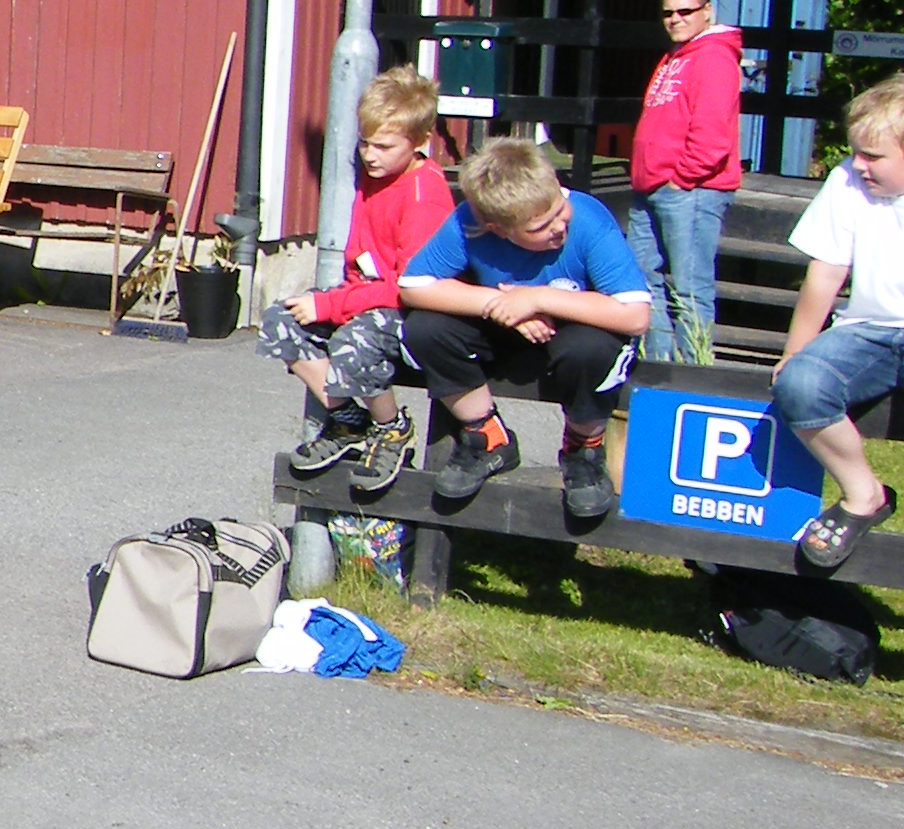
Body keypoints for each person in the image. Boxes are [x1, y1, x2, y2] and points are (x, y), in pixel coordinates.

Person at [398, 139, 655, 523]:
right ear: (498, 230)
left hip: (576, 332)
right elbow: (414, 285)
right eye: (541, 226)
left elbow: (635, 315)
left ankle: (583, 448)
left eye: (559, 210)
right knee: (424, 329)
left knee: (591, 350)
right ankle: (485, 436)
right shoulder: (470, 223)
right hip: (505, 331)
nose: (559, 226)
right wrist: (501, 305)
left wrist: (537, 299)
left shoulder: (588, 219)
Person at [265, 67, 454, 492]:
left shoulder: (423, 195)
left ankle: (391, 428)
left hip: (410, 309)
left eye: (384, 146)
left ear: (421, 141)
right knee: (281, 320)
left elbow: (409, 287)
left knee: (355, 340)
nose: (370, 155)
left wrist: (331, 305)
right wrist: (335, 302)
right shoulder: (376, 175)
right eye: (365, 142)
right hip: (365, 293)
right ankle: (348, 420)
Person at [774, 76, 904, 570]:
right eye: (855, 153)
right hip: (867, 331)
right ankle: (864, 493)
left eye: (873, 155)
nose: (859, 165)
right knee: (801, 384)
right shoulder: (846, 180)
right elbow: (825, 272)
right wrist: (795, 352)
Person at [625, 0, 746, 362]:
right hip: (652, 187)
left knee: (690, 287)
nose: (675, 19)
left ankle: (694, 371)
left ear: (707, 11)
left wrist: (682, 178)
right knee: (641, 279)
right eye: (668, 13)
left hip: (691, 189)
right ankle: (658, 364)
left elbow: (713, 134)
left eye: (685, 11)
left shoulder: (714, 57)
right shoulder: (676, 56)